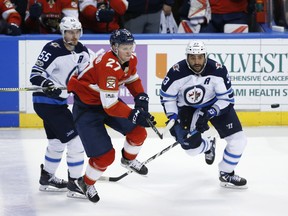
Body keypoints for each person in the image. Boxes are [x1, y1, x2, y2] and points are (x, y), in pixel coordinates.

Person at [67, 28, 156, 203]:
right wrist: (133, 114)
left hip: (105, 102)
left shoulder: (130, 58)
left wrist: (141, 98)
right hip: (87, 109)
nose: (129, 51)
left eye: (131, 46)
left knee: (138, 132)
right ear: (114, 47)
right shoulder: (107, 66)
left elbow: (132, 79)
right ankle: (85, 183)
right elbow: (110, 106)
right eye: (124, 47)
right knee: (105, 157)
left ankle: (128, 160)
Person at [160, 40, 247, 189]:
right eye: (192, 57)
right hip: (187, 108)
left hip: (214, 105)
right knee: (191, 150)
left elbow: (226, 99)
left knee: (238, 140)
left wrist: (209, 113)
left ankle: (226, 173)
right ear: (187, 57)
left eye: (200, 57)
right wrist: (173, 117)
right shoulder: (176, 72)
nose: (196, 61)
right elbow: (167, 97)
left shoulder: (217, 70)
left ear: (205, 56)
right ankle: (208, 146)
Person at [29, 17, 90, 198]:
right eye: (70, 32)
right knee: (75, 141)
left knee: (57, 142)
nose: (74, 36)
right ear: (63, 33)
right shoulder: (52, 49)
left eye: (77, 32)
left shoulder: (82, 51)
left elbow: (86, 76)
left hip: (60, 104)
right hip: (45, 102)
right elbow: (35, 74)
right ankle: (75, 182)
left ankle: (47, 177)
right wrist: (48, 84)